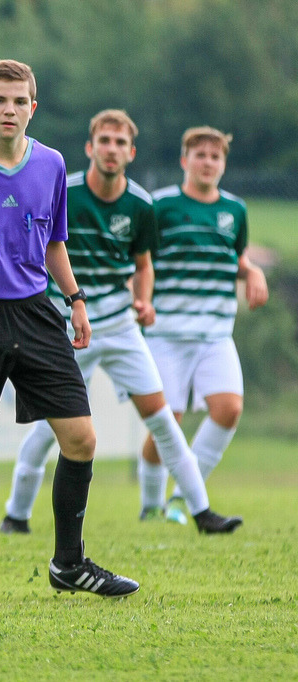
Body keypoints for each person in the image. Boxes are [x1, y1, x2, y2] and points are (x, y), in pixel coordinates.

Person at [0, 60, 139, 600]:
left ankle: (69, 563)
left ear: (32, 108)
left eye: (19, 101)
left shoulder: (53, 165)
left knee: (82, 438)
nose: (9, 110)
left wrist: (76, 299)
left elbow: (54, 242)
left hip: (37, 312)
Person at [0, 110, 243, 535]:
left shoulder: (141, 205)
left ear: (130, 153)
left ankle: (202, 513)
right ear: (91, 148)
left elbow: (143, 265)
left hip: (120, 327)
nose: (111, 149)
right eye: (104, 141)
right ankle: (16, 514)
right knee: (48, 428)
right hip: (69, 330)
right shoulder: (64, 192)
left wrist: (144, 302)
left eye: (119, 143)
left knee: (163, 419)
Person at [143, 126, 268, 523]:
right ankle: (151, 502)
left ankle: (180, 499)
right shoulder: (160, 206)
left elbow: (236, 256)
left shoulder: (235, 210)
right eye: (200, 155)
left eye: (216, 157)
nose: (208, 162)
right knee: (169, 422)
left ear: (224, 165)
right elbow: (140, 259)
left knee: (229, 409)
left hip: (216, 332)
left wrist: (252, 273)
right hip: (167, 331)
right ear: (185, 161)